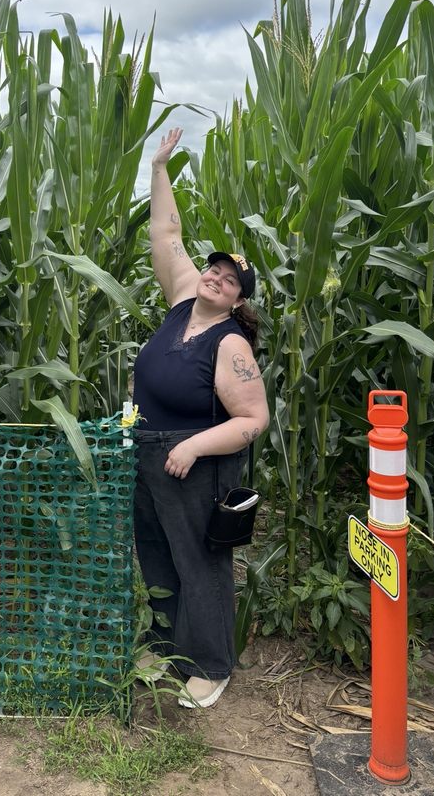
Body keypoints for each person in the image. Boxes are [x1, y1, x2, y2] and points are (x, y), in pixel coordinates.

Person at [132, 127, 269, 709]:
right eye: (213, 269)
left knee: (201, 562)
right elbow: (165, 233)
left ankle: (211, 665)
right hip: (147, 450)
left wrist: (192, 449)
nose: (214, 276)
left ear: (239, 300)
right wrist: (159, 166)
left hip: (195, 463)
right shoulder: (184, 298)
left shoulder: (231, 343)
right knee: (156, 551)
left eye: (229, 278)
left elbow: (253, 419)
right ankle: (166, 643)